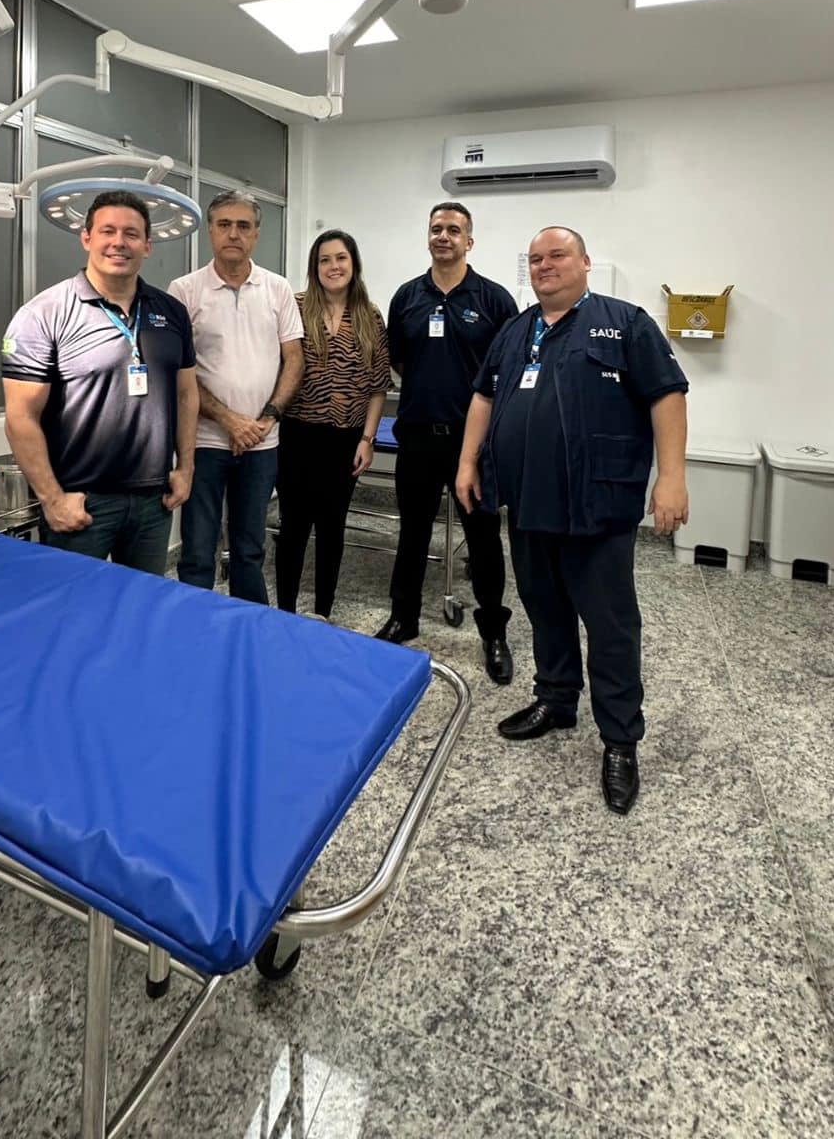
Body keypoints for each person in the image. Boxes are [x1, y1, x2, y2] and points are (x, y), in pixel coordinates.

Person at [455, 226, 689, 816]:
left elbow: (666, 395)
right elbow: (484, 396)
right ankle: (557, 700)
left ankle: (620, 740)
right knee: (544, 607)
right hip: (528, 502)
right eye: (535, 259)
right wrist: (467, 461)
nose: (544, 265)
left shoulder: (624, 323)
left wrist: (671, 477)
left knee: (610, 625)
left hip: (596, 504)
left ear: (585, 262)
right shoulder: (517, 330)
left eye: (557, 255)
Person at [1, 190, 198, 575]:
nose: (119, 242)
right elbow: (20, 417)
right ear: (86, 238)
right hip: (81, 503)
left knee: (142, 604)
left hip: (153, 502)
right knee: (75, 607)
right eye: (108, 231)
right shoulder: (43, 314)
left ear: (147, 246)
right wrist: (52, 499)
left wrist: (186, 467)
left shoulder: (171, 312)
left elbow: (187, 395)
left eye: (131, 233)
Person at [376, 201, 519, 684]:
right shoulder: (407, 297)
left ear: (469, 241)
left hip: (472, 444)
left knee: (483, 540)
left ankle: (493, 632)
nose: (443, 236)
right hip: (418, 436)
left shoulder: (495, 300)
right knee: (413, 533)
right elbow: (399, 360)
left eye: (453, 230)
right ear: (428, 237)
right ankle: (404, 617)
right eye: (436, 228)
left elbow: (508, 371)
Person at [169, 189, 303, 603]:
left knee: (249, 549)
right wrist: (230, 421)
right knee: (197, 551)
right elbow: (178, 373)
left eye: (243, 226)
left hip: (263, 442)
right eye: (224, 224)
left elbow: (294, 359)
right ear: (210, 230)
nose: (233, 234)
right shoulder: (184, 290)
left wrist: (267, 418)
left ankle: (250, 628)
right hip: (204, 443)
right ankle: (196, 628)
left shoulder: (277, 288)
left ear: (256, 234)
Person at [274, 230, 392, 617]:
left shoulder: (370, 315)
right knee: (292, 527)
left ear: (353, 263)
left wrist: (368, 440)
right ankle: (285, 611)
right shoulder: (295, 306)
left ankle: (322, 610)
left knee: (331, 527)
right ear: (315, 267)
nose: (333, 266)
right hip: (297, 435)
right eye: (324, 259)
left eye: (341, 258)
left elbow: (378, 387)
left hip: (346, 440)